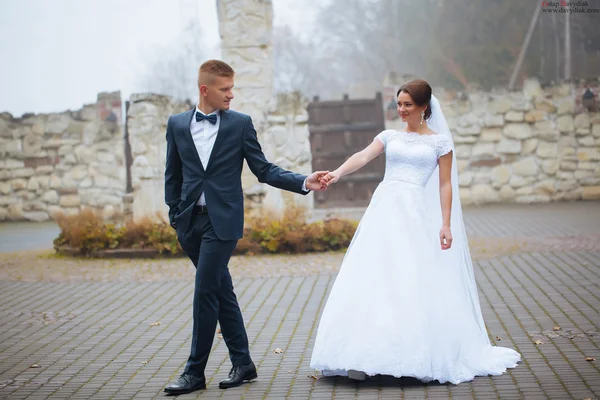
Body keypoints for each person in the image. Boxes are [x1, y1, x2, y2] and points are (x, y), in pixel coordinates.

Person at [310, 79, 521, 384]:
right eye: (399, 104)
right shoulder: (389, 137)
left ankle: (414, 354)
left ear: (424, 107)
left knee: (410, 276)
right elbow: (363, 156)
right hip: (383, 211)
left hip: (413, 214)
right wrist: (337, 173)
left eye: (408, 104)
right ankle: (362, 353)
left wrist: (446, 223)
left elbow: (446, 184)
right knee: (374, 276)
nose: (402, 110)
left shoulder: (439, 143)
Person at [163, 59, 328, 394]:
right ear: (204, 90)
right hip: (190, 224)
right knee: (221, 291)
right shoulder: (178, 125)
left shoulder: (240, 124)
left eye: (232, 88)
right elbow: (173, 174)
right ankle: (243, 363)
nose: (231, 95)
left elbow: (263, 169)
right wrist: (175, 215)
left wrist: (304, 182)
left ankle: (194, 373)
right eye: (225, 89)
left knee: (205, 291)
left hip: (222, 223)